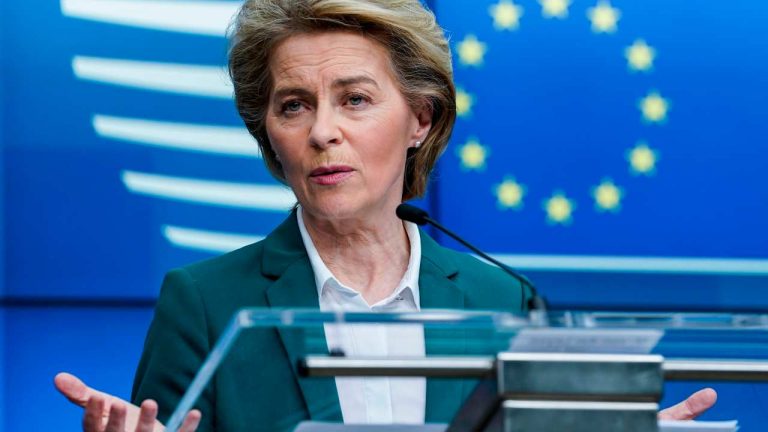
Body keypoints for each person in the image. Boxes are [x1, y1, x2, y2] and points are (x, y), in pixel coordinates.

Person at [54, 0, 718, 430]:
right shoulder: (204, 303)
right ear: (270, 136)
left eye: (355, 99)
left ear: (420, 119)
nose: (322, 132)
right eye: (293, 105)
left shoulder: (504, 298)